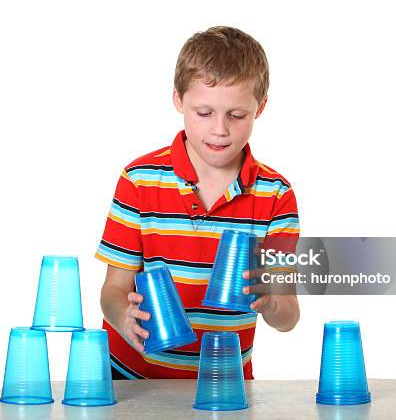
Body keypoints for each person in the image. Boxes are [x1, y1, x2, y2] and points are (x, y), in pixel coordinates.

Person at [95, 26, 300, 379]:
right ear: (178, 100)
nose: (219, 129)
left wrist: (271, 303)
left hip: (226, 383)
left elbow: (289, 316)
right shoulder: (139, 180)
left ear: (259, 108)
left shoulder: (275, 196)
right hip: (131, 380)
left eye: (236, 115)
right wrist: (122, 317)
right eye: (204, 112)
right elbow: (113, 289)